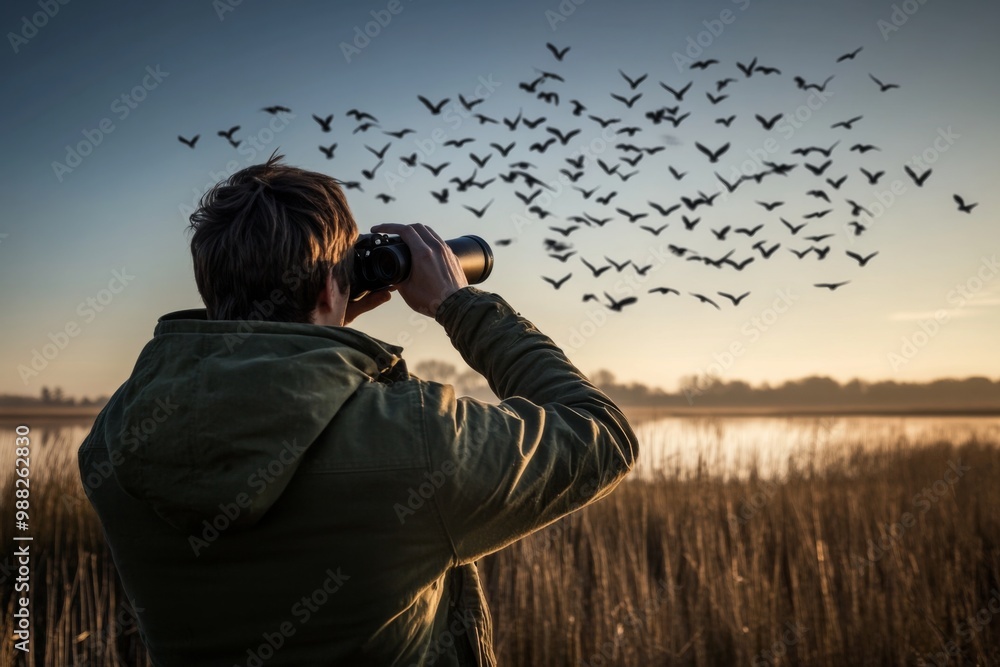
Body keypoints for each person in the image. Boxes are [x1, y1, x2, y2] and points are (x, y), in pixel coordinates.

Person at [78, 153, 638, 666]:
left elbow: (250, 396)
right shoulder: (417, 443)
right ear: (331, 287)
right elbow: (603, 433)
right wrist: (457, 304)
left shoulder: (114, 437)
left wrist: (311, 345)